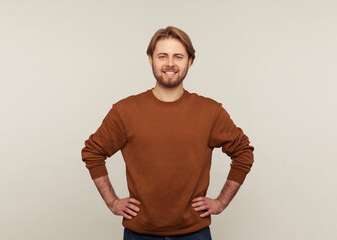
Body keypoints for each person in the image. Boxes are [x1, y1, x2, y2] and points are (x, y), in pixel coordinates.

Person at [81, 26, 255, 240]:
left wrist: (221, 202)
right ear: (150, 59)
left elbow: (243, 153)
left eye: (178, 56)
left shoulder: (210, 112)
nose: (170, 63)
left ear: (190, 61)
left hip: (194, 233)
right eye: (162, 56)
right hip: (140, 234)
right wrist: (112, 201)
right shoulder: (125, 111)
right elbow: (92, 152)